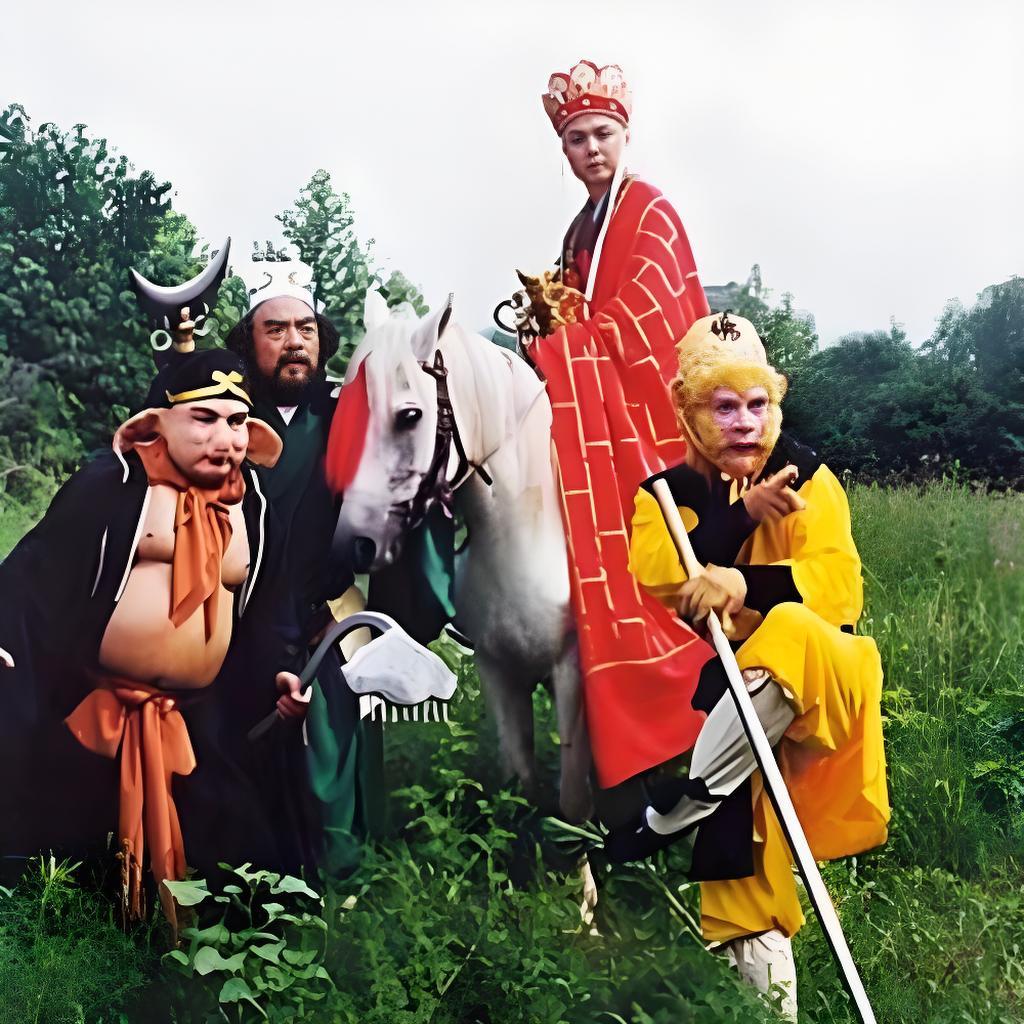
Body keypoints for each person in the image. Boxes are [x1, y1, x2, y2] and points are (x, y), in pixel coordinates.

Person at [616, 311, 890, 1017]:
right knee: (741, 872)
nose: (746, 424)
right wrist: (739, 521)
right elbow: (664, 578)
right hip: (736, 707)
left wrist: (744, 583)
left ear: (779, 401)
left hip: (821, 682)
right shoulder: (664, 496)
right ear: (684, 407)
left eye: (758, 404)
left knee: (792, 626)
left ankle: (679, 808)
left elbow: (838, 588)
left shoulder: (809, 477)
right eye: (725, 407)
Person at [0, 349, 304, 925]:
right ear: (154, 426)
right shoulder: (111, 486)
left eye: (237, 421)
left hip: (202, 717)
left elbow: (268, 612)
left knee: (243, 865)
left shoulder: (255, 506)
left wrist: (281, 673)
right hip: (98, 712)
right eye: (204, 418)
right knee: (68, 866)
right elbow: (35, 570)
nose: (225, 437)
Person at [523, 61, 713, 805]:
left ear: (625, 135)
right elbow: (579, 315)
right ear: (563, 150)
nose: (591, 149)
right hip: (596, 403)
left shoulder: (652, 211)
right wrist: (545, 333)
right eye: (576, 139)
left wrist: (567, 344)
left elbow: (651, 320)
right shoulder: (579, 228)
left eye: (602, 133)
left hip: (647, 413)